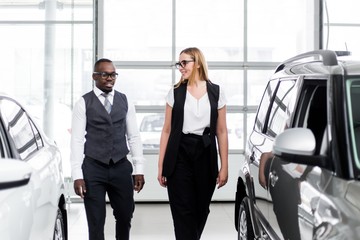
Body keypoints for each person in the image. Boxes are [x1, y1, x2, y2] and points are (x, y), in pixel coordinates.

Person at [157, 47, 229, 240]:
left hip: (206, 152)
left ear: (197, 62)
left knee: (201, 208)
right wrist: (161, 165)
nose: (180, 67)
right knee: (182, 209)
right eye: (178, 64)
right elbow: (166, 130)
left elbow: (221, 131)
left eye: (184, 63)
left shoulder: (216, 92)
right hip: (179, 152)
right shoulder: (175, 92)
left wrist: (224, 167)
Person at [70, 58, 145, 240]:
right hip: (93, 168)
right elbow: (77, 140)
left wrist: (139, 169)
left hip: (120, 166)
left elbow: (133, 136)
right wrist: (77, 175)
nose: (110, 78)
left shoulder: (124, 100)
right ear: (95, 76)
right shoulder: (83, 102)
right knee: (95, 221)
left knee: (125, 215)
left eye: (113, 74)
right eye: (105, 74)